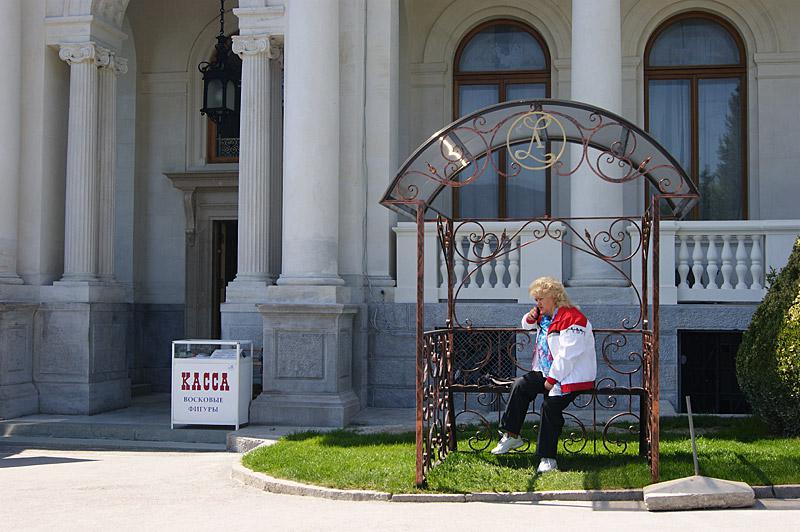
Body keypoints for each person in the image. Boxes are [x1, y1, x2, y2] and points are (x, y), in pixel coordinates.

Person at [490, 276, 597, 474]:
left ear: (554, 298)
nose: (537, 303)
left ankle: (548, 458)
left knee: (550, 406)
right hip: (547, 372)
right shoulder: (545, 316)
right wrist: (530, 317)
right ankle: (512, 435)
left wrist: (551, 381)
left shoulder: (573, 318)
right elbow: (526, 324)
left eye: (540, 299)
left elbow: (568, 356)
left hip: (571, 377)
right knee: (521, 384)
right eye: (536, 299)